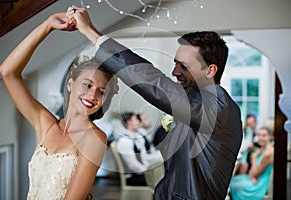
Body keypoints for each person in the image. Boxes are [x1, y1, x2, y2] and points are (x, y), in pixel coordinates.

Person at [66, 6, 243, 199]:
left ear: (210, 71)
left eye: (183, 66)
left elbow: (156, 85)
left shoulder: (218, 105)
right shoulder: (198, 102)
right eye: (175, 63)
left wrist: (92, 34)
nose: (175, 72)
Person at [0, 11, 118, 199]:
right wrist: (48, 25)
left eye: (101, 91)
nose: (92, 95)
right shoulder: (46, 125)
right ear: (70, 84)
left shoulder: (94, 138)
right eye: (87, 85)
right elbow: (8, 72)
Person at [230, 126, 274, 199]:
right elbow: (252, 174)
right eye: (259, 135)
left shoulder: (268, 153)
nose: (260, 138)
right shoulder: (263, 149)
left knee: (232, 184)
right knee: (234, 179)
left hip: (260, 184)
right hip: (256, 179)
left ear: (270, 137)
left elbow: (254, 175)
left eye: (264, 136)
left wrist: (254, 158)